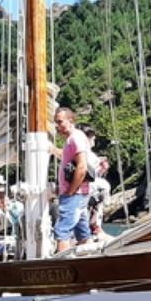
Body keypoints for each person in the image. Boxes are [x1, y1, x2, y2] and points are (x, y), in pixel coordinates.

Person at [51, 107, 91, 252]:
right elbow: (66, 157)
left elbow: (82, 166)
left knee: (62, 230)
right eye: (56, 122)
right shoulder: (71, 140)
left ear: (71, 120)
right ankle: (89, 259)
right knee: (82, 232)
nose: (57, 126)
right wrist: (52, 149)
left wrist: (70, 191)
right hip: (77, 193)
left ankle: (63, 262)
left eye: (60, 122)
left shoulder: (75, 138)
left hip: (74, 194)